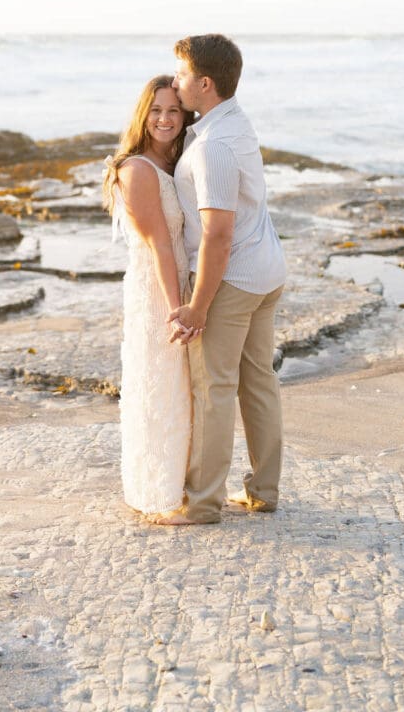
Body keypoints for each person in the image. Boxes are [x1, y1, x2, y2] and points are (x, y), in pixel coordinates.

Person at [158, 34, 287, 526]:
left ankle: (202, 504)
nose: (176, 83)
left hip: (234, 278)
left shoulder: (214, 146)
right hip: (265, 271)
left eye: (182, 75)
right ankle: (264, 491)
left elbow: (217, 235)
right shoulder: (234, 122)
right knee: (258, 383)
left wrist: (197, 305)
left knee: (212, 389)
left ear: (205, 83)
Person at [102, 75, 197, 520]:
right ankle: (157, 491)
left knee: (180, 389)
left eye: (173, 110)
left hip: (178, 284)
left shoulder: (174, 162)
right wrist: (177, 309)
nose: (165, 119)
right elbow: (159, 243)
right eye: (156, 110)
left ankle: (182, 484)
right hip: (158, 290)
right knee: (159, 385)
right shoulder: (138, 169)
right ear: (144, 115)